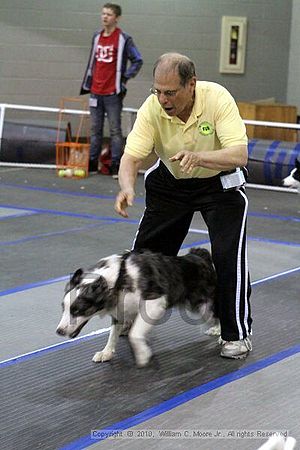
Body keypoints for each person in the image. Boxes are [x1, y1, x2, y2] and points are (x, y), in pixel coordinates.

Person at [115, 52, 253, 359]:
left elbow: (239, 154)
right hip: (172, 181)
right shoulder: (152, 108)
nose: (163, 99)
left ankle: (235, 334)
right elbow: (131, 157)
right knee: (143, 257)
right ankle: (131, 316)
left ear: (191, 84)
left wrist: (201, 157)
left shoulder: (217, 98)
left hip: (219, 182)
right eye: (158, 91)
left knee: (228, 257)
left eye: (170, 92)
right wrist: (126, 186)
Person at [80, 3, 143, 178]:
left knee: (115, 130)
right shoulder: (96, 37)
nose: (104, 17)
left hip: (112, 93)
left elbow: (138, 60)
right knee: (94, 129)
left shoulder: (124, 39)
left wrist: (124, 78)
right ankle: (92, 164)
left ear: (117, 18)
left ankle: (116, 165)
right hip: (95, 91)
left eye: (109, 14)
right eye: (103, 13)